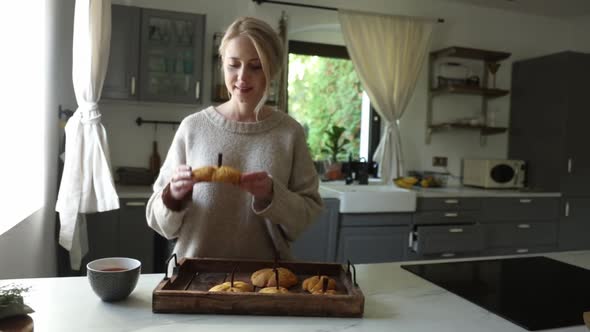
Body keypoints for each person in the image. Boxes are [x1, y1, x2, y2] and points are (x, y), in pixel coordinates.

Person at [146, 17, 323, 262]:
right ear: (223, 65)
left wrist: (272, 196)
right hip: (192, 279)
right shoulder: (193, 128)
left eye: (255, 66)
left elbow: (306, 215)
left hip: (267, 282)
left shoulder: (289, 133)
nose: (242, 77)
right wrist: (173, 196)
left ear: (272, 69)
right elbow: (158, 221)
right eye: (233, 65)